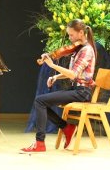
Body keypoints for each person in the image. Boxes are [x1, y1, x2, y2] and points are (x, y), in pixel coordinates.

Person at [21, 19, 97, 153]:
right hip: (77, 88)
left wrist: (53, 66)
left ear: (81, 33)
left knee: (40, 101)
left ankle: (40, 143)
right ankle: (66, 127)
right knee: (40, 101)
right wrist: (56, 76)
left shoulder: (87, 50)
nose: (69, 38)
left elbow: (73, 74)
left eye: (71, 35)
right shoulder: (79, 48)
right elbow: (76, 73)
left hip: (82, 91)